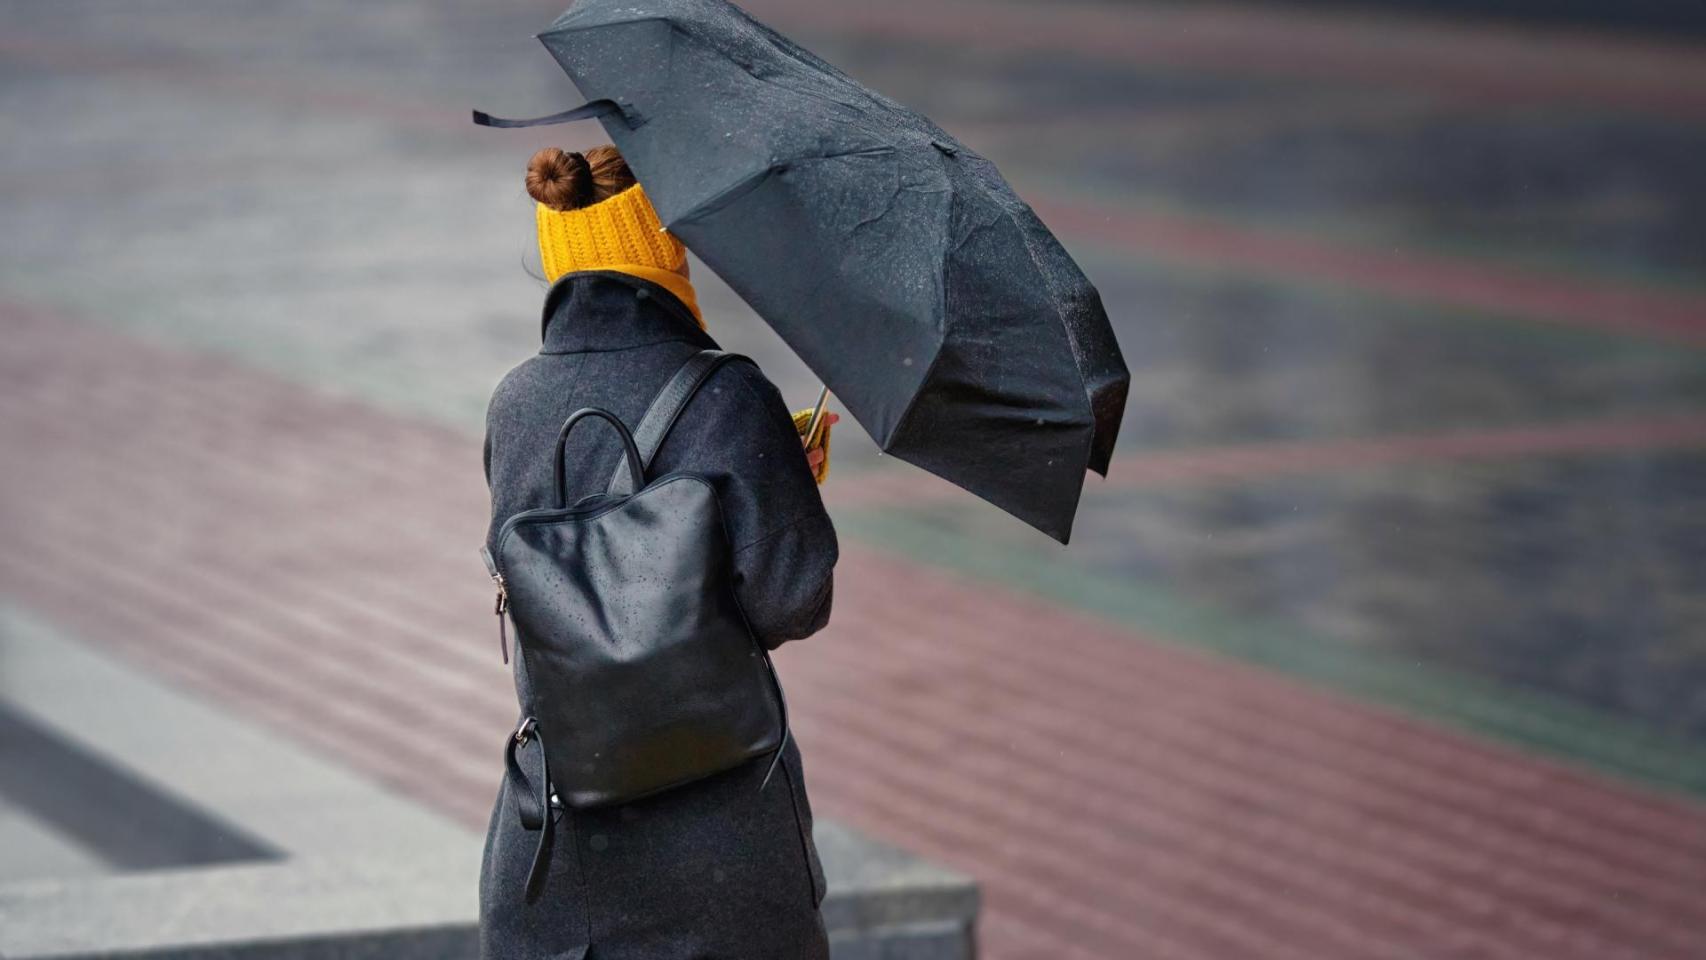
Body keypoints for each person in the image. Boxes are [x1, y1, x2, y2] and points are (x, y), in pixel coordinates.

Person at [477, 144, 839, 959]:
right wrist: (787, 485)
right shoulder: (732, 395)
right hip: (719, 852)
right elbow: (792, 599)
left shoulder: (515, 403)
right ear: (665, 249)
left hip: (554, 846)